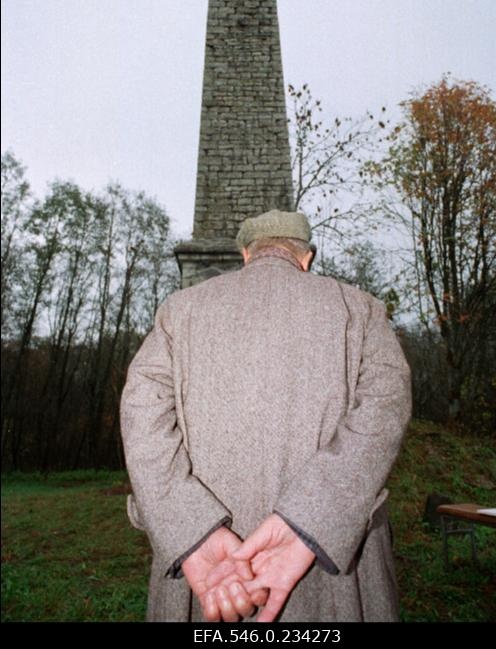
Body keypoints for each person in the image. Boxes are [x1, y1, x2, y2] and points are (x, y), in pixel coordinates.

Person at [119, 210, 412, 622]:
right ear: (306, 257)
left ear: (245, 254)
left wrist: (190, 530)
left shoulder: (178, 311)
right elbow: (385, 410)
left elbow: (140, 416)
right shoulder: (361, 309)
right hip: (334, 574)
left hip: (208, 582)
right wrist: (313, 519)